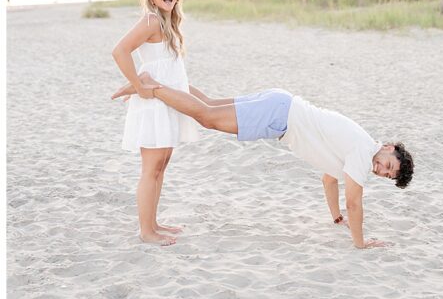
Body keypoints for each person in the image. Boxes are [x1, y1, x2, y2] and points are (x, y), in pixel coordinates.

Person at [112, 76, 414, 249]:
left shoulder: (358, 147)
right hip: (279, 116)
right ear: (388, 147)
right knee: (207, 117)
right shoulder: (364, 152)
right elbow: (356, 202)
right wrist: (360, 243)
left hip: (281, 103)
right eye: (389, 165)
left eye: (387, 175)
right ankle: (151, 86)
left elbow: (328, 179)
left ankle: (164, 81)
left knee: (211, 106)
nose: (382, 171)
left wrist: (336, 218)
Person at [112, 0, 201, 246]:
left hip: (168, 102)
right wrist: (137, 86)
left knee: (162, 165)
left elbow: (172, 71)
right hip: (152, 104)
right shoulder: (151, 20)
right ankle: (146, 231)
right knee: (151, 168)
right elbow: (120, 51)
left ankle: (153, 222)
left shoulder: (170, 23)